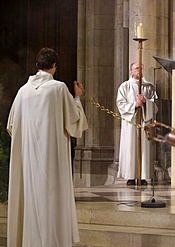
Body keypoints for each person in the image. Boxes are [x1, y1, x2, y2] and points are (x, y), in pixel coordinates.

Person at [6, 47, 88, 246]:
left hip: (28, 160)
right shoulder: (58, 89)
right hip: (51, 160)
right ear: (54, 66)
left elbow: (11, 126)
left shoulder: (22, 92)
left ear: (37, 66)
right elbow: (75, 120)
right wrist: (77, 97)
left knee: (32, 199)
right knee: (51, 197)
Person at [117, 62, 157, 185]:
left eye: (141, 68)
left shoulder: (149, 87)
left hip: (144, 122)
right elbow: (120, 103)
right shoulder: (125, 86)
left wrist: (146, 102)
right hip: (131, 123)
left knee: (144, 148)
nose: (139, 70)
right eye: (136, 68)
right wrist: (135, 105)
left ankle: (143, 175)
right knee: (130, 147)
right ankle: (130, 175)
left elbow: (155, 104)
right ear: (131, 71)